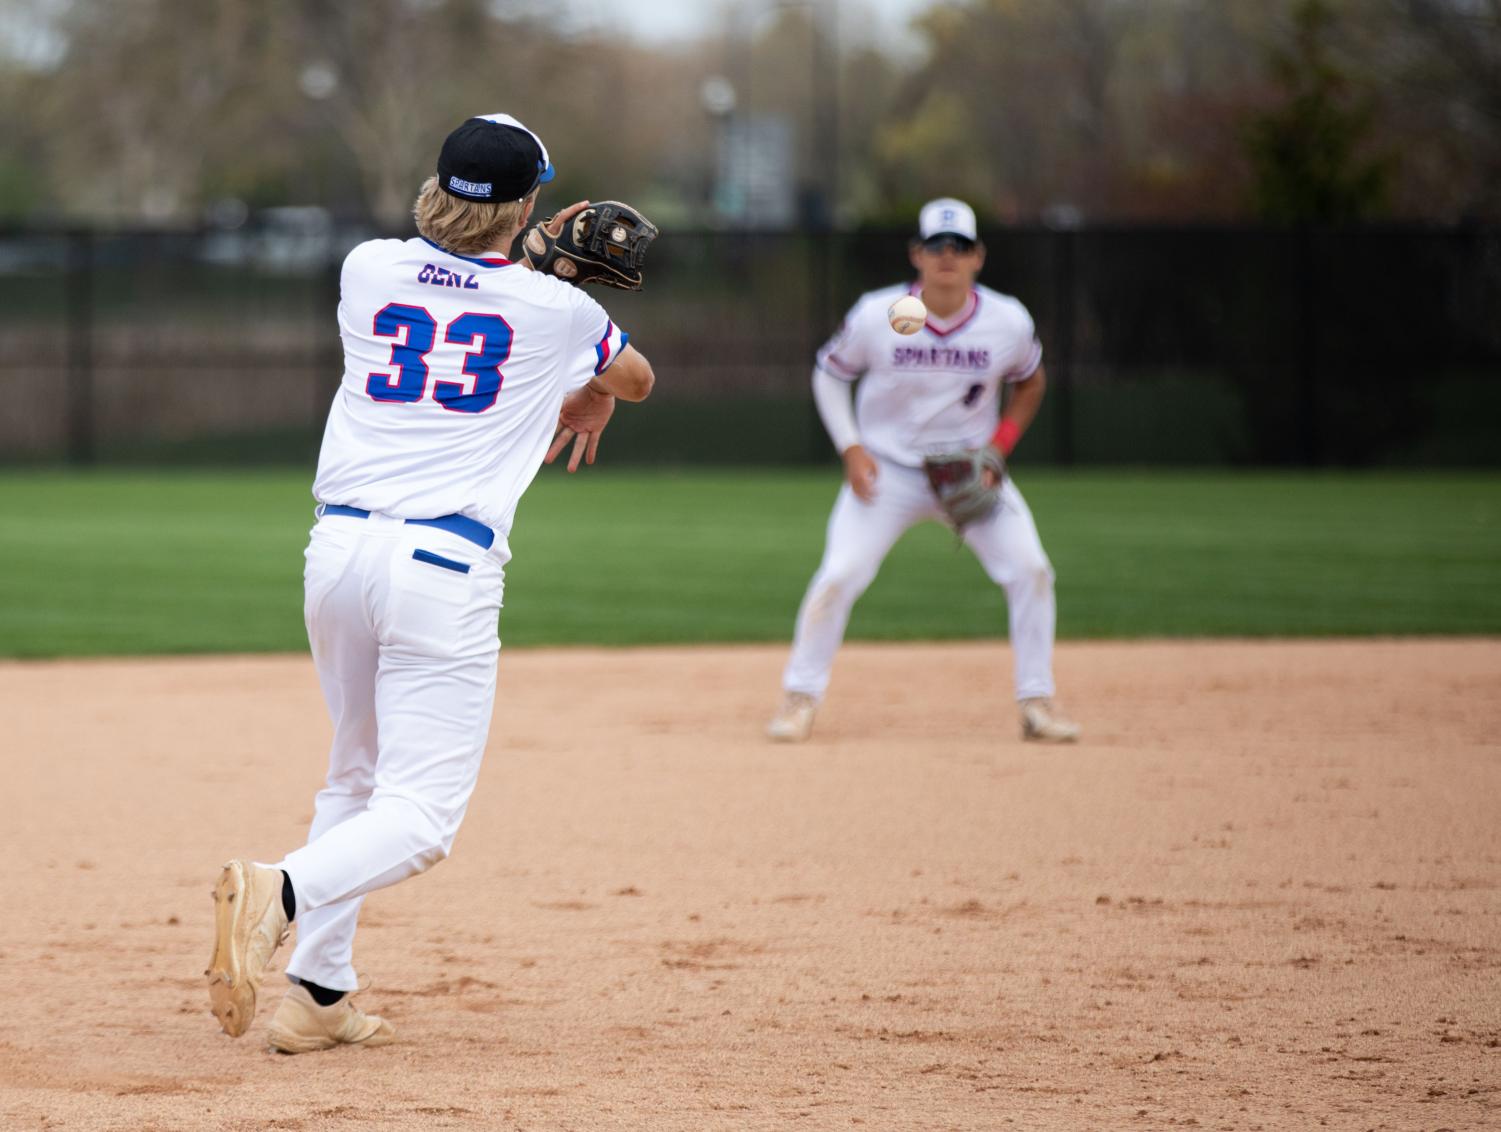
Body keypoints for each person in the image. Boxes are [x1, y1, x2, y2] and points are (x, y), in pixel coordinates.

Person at [205, 113, 654, 1053]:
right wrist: (591, 371)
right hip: (441, 569)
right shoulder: (556, 313)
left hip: (335, 556)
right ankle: (278, 889)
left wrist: (525, 255)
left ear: (432, 186)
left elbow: (458, 283)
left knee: (354, 775)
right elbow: (639, 378)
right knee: (420, 818)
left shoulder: (366, 267)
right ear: (529, 205)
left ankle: (318, 993)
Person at [766, 197, 1079, 745]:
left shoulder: (1006, 320)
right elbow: (828, 375)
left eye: (960, 247)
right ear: (917, 254)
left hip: (970, 472)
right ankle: (800, 698)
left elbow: (1031, 380)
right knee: (840, 574)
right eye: (937, 246)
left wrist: (1001, 447)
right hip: (887, 473)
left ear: (979, 256)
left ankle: (1037, 702)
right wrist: (851, 447)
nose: (948, 257)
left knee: (1031, 568)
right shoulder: (878, 314)